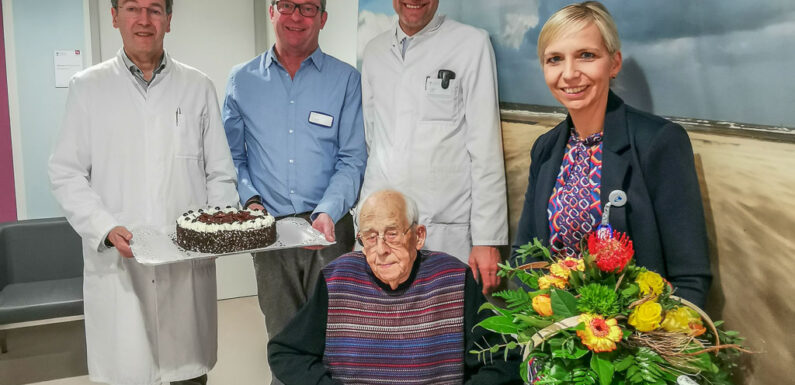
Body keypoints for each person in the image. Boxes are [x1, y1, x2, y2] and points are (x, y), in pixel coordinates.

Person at [48, 0, 238, 384]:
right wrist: (104, 227)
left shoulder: (197, 87)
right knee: (129, 369)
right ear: (114, 16)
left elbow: (220, 173)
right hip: (120, 265)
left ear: (169, 19)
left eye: (154, 9)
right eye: (133, 8)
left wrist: (215, 230)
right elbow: (66, 172)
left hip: (185, 265)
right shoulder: (88, 87)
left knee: (188, 375)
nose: (144, 20)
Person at [512, 1, 711, 307]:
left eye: (586, 55)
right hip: (553, 328)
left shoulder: (659, 142)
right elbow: (524, 256)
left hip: (638, 331)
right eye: (555, 59)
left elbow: (690, 279)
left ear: (614, 63)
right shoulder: (545, 148)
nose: (569, 73)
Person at [222, 1, 366, 381]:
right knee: (283, 337)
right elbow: (232, 156)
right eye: (286, 5)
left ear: (323, 18)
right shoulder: (242, 80)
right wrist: (251, 200)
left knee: (333, 337)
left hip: (330, 229)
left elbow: (352, 159)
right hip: (270, 231)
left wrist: (327, 211)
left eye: (307, 7)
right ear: (272, 12)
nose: (296, 16)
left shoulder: (346, 80)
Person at [268, 190, 522, 385]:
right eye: (370, 237)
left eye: (392, 234)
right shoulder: (338, 278)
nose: (381, 249)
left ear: (418, 236)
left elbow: (503, 360)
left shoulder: (453, 278)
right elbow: (286, 352)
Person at [359, 0, 508, 294]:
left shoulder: (471, 44)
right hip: (381, 230)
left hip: (445, 228)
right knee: (381, 318)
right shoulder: (375, 52)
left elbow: (485, 147)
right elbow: (372, 140)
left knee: (446, 317)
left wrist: (487, 239)